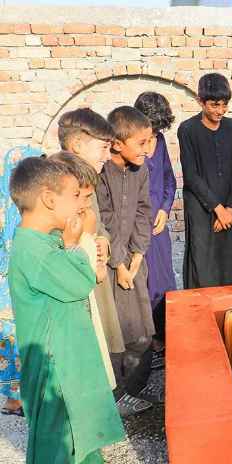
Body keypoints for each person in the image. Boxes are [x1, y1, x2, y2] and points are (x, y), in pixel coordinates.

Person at [8, 155, 123, 464]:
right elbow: (78, 283)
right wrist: (73, 247)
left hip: (67, 354)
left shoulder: (42, 241)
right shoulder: (33, 251)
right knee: (54, 434)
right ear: (48, 199)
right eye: (75, 196)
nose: (81, 206)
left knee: (80, 421)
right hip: (53, 364)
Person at [97, 106, 157, 416]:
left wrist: (138, 256)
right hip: (109, 266)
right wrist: (119, 264)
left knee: (142, 328)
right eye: (141, 143)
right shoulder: (100, 173)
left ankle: (134, 387)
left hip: (134, 262)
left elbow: (144, 211)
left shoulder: (141, 170)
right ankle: (116, 396)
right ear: (118, 144)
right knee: (115, 330)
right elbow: (104, 219)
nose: (147, 149)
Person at [58, 108, 127, 365]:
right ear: (77, 145)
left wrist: (102, 241)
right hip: (78, 281)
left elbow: (99, 224)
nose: (108, 156)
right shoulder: (59, 182)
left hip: (93, 270)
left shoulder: (86, 177)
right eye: (104, 148)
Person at [46, 152, 117, 389]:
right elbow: (88, 274)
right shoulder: (60, 230)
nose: (87, 204)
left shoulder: (80, 220)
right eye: (82, 197)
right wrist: (85, 237)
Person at [177, 73, 232, 289]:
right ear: (200, 101)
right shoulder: (187, 129)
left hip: (228, 210)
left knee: (229, 264)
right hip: (200, 208)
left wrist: (230, 209)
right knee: (203, 266)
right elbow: (191, 176)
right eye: (215, 105)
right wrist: (217, 209)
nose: (220, 111)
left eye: (224, 105)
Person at [134, 92, 177, 370]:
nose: (153, 134)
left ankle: (166, 341)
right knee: (143, 287)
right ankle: (146, 346)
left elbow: (169, 180)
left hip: (158, 227)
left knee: (164, 285)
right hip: (136, 228)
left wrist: (164, 209)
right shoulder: (128, 146)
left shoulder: (159, 142)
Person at [0, 146, 41, 419]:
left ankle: (15, 398)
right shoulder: (25, 208)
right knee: (16, 339)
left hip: (8, 282)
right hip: (14, 283)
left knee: (12, 340)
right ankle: (18, 399)